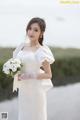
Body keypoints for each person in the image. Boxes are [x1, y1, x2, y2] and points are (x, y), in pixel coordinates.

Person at [12, 17, 55, 120]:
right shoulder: (22, 47)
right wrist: (15, 73)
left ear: (41, 33)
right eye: (30, 28)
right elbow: (17, 64)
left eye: (36, 30)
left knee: (36, 115)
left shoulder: (41, 51)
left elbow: (49, 74)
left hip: (36, 90)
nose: (31, 32)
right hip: (23, 89)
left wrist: (29, 75)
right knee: (24, 114)